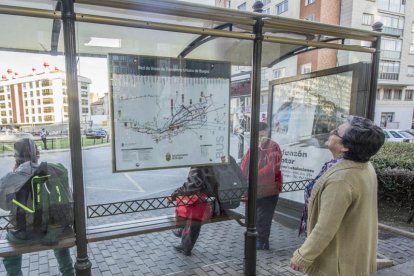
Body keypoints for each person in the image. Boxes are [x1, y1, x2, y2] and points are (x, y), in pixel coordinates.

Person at [289, 116, 385, 275]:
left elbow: (325, 227)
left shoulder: (341, 179)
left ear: (345, 147)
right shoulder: (364, 166)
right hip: (353, 255)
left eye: (336, 132)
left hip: (337, 263)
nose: (331, 132)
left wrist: (302, 256)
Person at [0, 138, 74, 276]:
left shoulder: (12, 178)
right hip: (54, 231)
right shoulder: (53, 170)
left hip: (26, 234)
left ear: (17, 158)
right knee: (59, 237)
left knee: (10, 251)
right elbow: (68, 196)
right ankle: (68, 272)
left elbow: (4, 205)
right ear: (37, 154)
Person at [240, 122, 282, 250]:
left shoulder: (273, 146)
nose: (259, 136)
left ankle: (263, 242)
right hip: (253, 189)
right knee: (251, 217)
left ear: (266, 132)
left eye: (261, 133)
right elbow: (244, 163)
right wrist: (243, 178)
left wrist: (253, 176)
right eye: (256, 133)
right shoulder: (253, 146)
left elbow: (272, 167)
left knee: (264, 218)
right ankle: (255, 238)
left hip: (268, 189)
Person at [170, 166, 215, 256]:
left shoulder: (199, 164)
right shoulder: (222, 160)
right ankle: (185, 243)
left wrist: (175, 194)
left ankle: (184, 239)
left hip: (207, 205)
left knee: (193, 213)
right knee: (195, 212)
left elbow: (191, 186)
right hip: (221, 201)